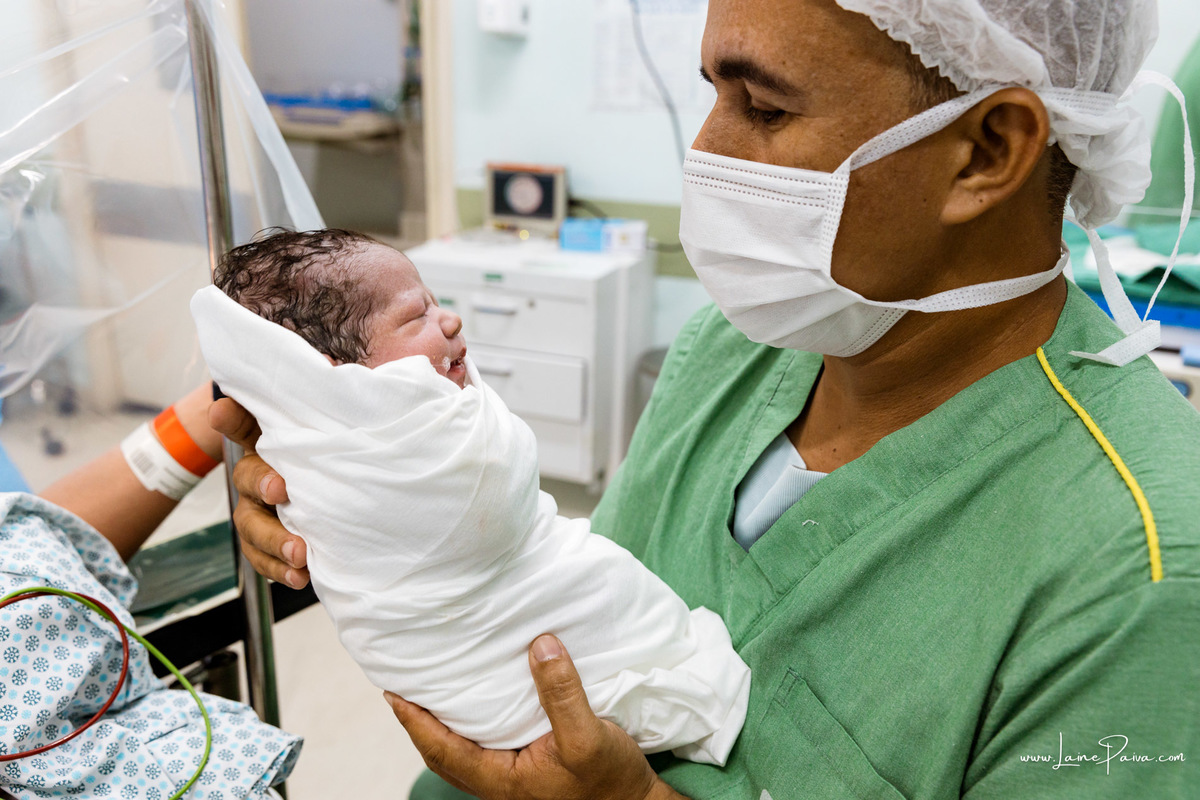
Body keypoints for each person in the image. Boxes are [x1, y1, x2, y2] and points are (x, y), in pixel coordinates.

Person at [213, 0, 1200, 797]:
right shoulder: (732, 345)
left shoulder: (1135, 577)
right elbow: (565, 574)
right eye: (713, 92)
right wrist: (363, 510)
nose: (707, 150)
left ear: (987, 150)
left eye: (763, 110)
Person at [190, 228, 750, 766]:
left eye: (436, 303)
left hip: (491, 645)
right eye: (418, 315)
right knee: (641, 623)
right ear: (338, 376)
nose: (450, 318)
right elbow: (498, 476)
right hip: (468, 667)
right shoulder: (334, 445)